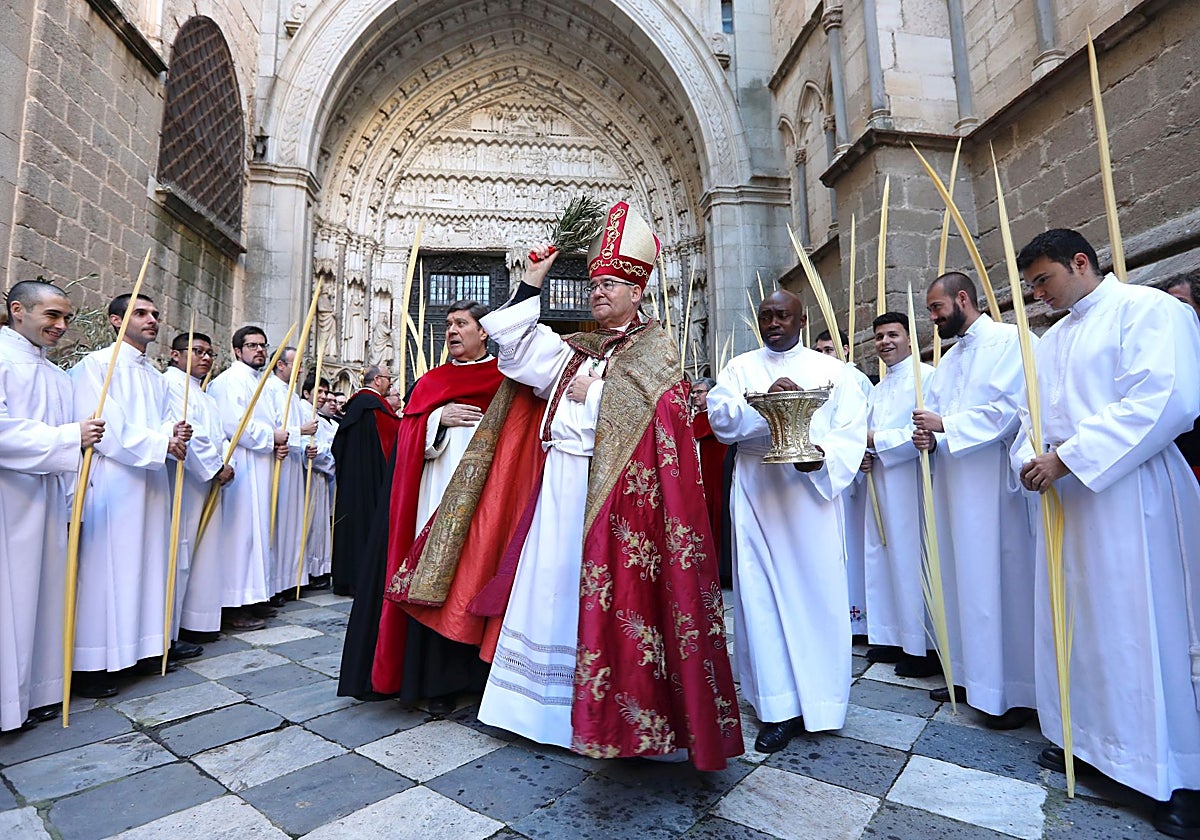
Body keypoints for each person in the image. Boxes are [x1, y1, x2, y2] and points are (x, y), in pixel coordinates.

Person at [396, 202, 741, 769]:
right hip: (558, 486)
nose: (597, 292)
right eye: (593, 283)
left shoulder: (657, 355)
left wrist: (600, 397)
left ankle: (603, 717)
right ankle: (534, 712)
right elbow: (514, 344)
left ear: (638, 290)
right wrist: (534, 278)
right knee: (548, 589)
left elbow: (669, 423)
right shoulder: (578, 349)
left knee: (602, 598)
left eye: (609, 283)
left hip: (616, 500)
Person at [1013, 229, 1200, 835]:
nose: (1037, 295)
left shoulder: (1149, 310)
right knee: (1082, 628)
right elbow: (1030, 413)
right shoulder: (1051, 339)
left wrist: (1069, 457)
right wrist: (1029, 456)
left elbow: (1167, 397)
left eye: (1044, 280)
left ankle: (1176, 773)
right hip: (1070, 505)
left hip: (1130, 496)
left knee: (1144, 630)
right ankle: (1093, 745)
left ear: (1081, 261)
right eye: (1030, 286)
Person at [708, 290, 868, 753]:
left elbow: (850, 431)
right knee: (759, 600)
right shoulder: (740, 368)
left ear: (802, 319)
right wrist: (763, 407)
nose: (774, 323)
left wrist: (819, 461)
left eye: (782, 315)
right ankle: (777, 707)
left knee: (816, 596)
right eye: (766, 316)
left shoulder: (835, 373)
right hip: (758, 490)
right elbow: (721, 421)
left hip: (810, 496)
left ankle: (821, 702)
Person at [911, 272, 1037, 729]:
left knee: (997, 583)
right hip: (952, 483)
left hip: (991, 487)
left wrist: (946, 426)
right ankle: (967, 675)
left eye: (936, 308)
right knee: (958, 580)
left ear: (962, 299)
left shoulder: (1010, 341)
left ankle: (1014, 690)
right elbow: (940, 413)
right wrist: (929, 437)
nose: (933, 318)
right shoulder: (950, 357)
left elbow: (1013, 410)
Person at [367, 301, 502, 711]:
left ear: (484, 332)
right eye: (448, 324)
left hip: (488, 502)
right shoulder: (431, 383)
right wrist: (436, 419)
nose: (452, 331)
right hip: (436, 499)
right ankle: (437, 682)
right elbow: (406, 437)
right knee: (434, 580)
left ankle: (480, 676)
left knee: (480, 577)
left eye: (462, 324)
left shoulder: (505, 379)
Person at [69, 293, 191, 697]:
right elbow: (107, 428)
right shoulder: (96, 366)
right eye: (141, 313)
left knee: (148, 565)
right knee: (110, 569)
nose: (152, 320)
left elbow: (159, 424)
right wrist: (162, 444)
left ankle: (143, 648)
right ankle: (94, 663)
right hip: (116, 481)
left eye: (155, 314)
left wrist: (174, 436)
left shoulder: (155, 377)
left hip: (151, 482)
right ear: (115, 321)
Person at [0, 281, 103, 729]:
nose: (61, 327)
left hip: (45, 501)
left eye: (66, 318)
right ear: (18, 310)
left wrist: (69, 501)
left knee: (42, 597)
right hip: (8, 499)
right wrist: (67, 438)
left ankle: (36, 691)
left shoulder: (59, 377)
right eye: (52, 316)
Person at [860, 313, 937, 677]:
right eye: (878, 336)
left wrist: (877, 442)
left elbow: (921, 431)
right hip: (880, 481)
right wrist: (863, 453)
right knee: (883, 556)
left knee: (911, 558)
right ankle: (890, 635)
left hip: (911, 483)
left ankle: (922, 646)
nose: (885, 342)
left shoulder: (927, 378)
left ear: (910, 338)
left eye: (893, 334)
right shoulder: (878, 389)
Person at [207, 327, 287, 630]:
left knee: (256, 534)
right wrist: (271, 437)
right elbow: (233, 424)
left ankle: (253, 596)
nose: (259, 351)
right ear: (237, 351)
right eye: (252, 345)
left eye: (263, 345)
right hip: (241, 465)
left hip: (261, 464)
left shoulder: (260, 383)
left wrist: (277, 441)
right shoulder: (229, 381)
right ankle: (232, 603)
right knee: (239, 536)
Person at [165, 332, 233, 650]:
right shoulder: (171, 385)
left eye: (209, 353)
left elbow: (213, 435)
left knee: (200, 553)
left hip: (204, 481)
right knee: (178, 552)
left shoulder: (202, 394)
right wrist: (215, 467)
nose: (204, 358)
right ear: (175, 354)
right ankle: (172, 628)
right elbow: (190, 433)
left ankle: (196, 620)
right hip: (183, 480)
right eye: (196, 351)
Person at [814, 327, 873, 640]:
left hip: (851, 472)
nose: (825, 356)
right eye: (820, 350)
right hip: (828, 470)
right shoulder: (819, 376)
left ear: (846, 349)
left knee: (856, 546)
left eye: (830, 350)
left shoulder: (854, 379)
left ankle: (859, 617)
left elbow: (859, 424)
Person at [330, 364, 400, 596]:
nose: (391, 384)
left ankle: (345, 579)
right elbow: (395, 437)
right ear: (378, 380)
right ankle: (362, 579)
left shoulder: (356, 405)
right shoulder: (374, 405)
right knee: (366, 526)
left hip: (351, 481)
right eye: (389, 379)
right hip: (370, 481)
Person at [262, 347, 318, 599]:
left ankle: (288, 579)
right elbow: (275, 428)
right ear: (280, 365)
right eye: (294, 364)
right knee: (279, 523)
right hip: (279, 465)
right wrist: (301, 432)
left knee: (293, 523)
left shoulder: (291, 396)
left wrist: (307, 446)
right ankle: (276, 583)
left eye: (301, 366)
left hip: (295, 464)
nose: (299, 371)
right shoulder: (270, 389)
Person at [690, 376, 731, 586]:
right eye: (693, 392)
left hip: (717, 472)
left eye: (700, 392)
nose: (695, 396)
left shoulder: (714, 415)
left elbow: (697, 430)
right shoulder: (696, 416)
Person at [300, 374, 335, 591]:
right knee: (309, 523)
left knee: (319, 523)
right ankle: (309, 570)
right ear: (306, 393)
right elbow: (309, 446)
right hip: (308, 476)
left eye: (324, 392)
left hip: (320, 475)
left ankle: (317, 569)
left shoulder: (318, 417)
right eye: (318, 392)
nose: (322, 396)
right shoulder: (302, 410)